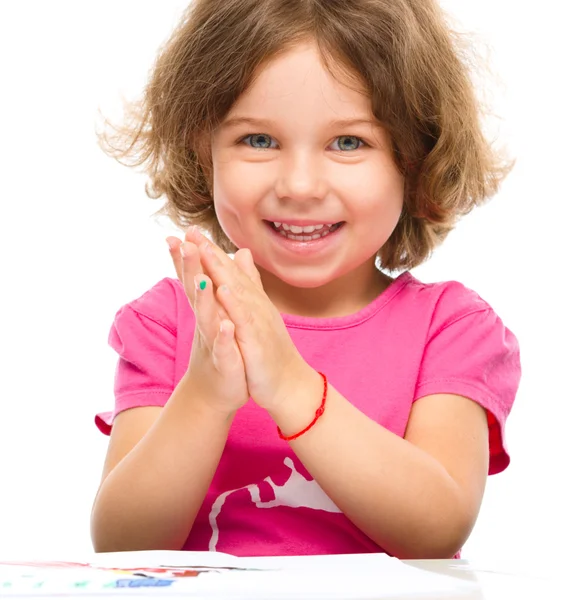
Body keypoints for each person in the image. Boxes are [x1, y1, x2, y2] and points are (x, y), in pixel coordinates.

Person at [91, 0, 521, 559]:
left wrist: (290, 384)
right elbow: (123, 545)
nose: (299, 185)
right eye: (258, 140)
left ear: (414, 158)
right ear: (204, 150)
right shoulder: (172, 323)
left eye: (348, 143)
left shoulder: (450, 329)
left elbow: (436, 529)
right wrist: (205, 392)